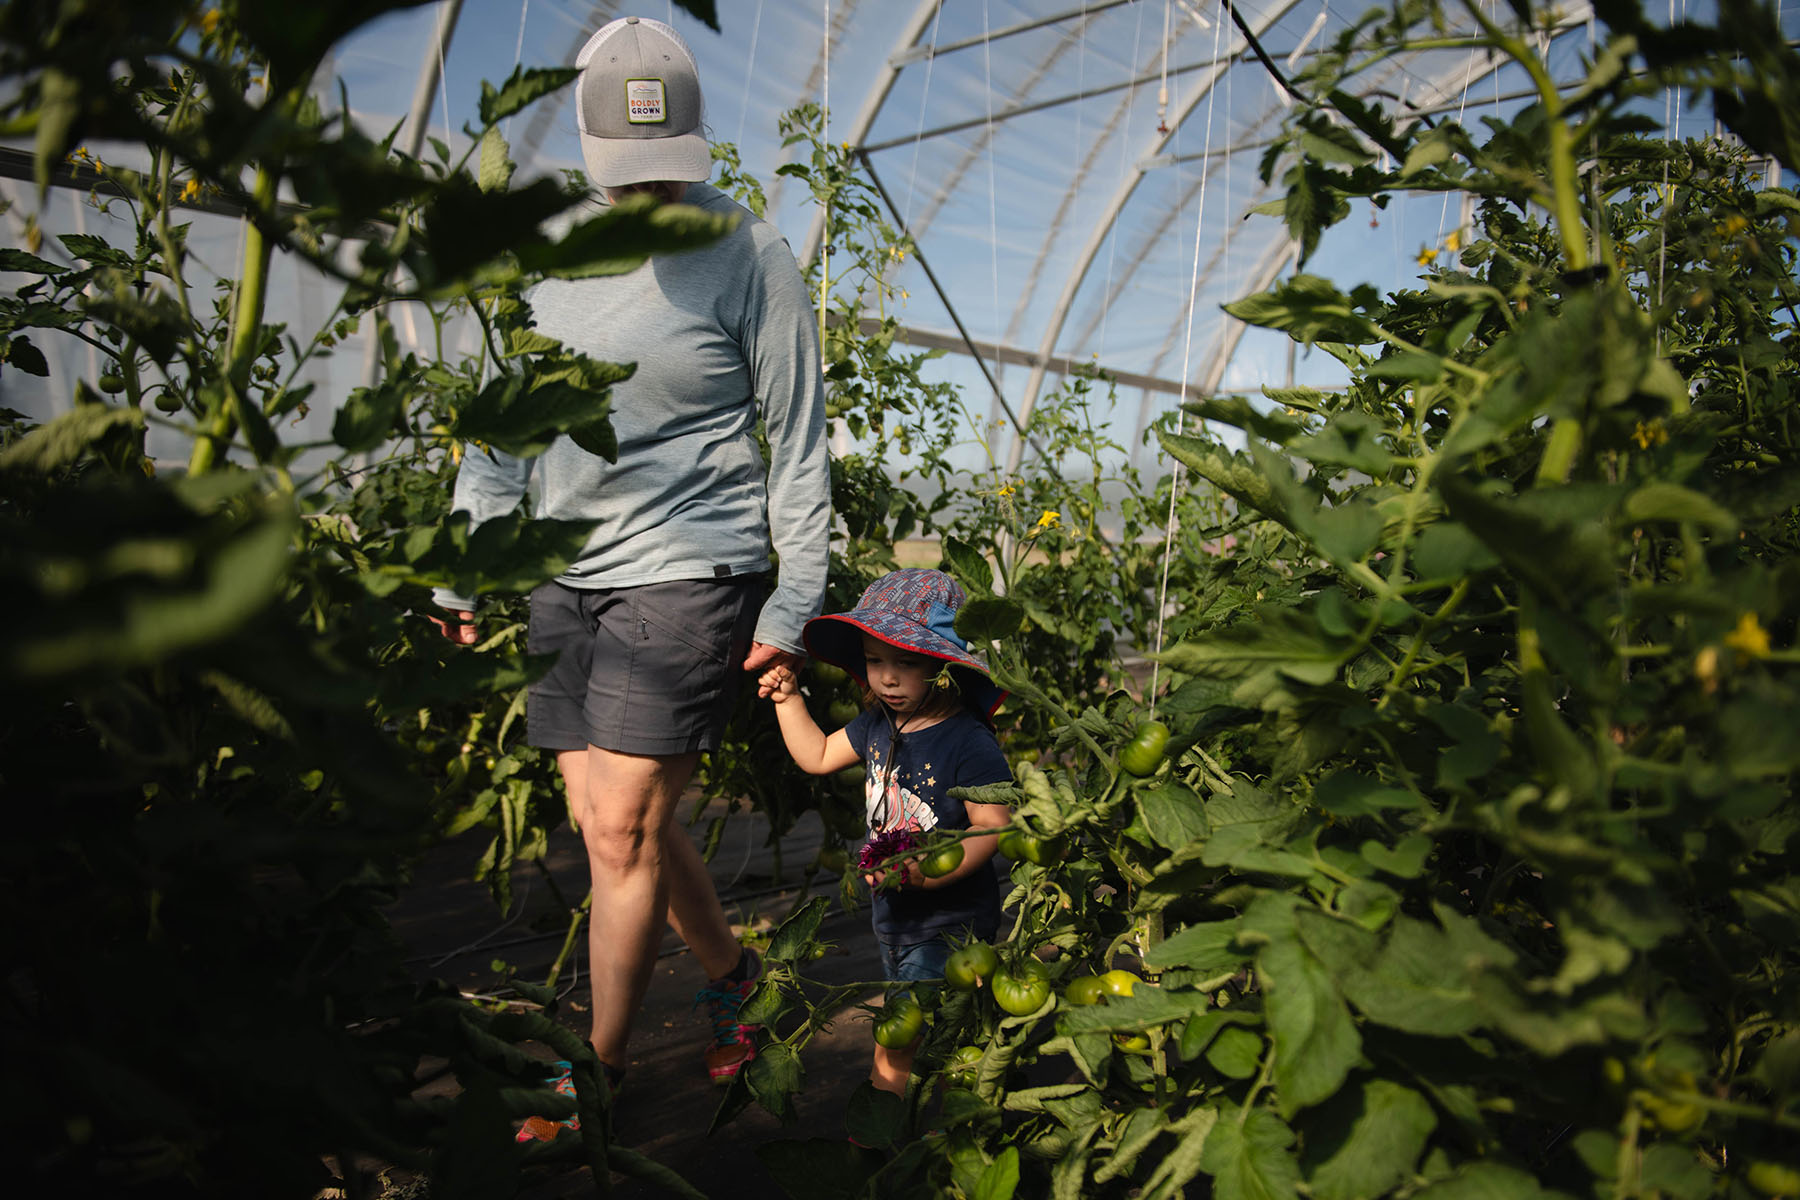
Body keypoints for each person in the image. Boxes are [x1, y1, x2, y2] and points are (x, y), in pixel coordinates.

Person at [430, 15, 831, 1141]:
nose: (654, 195)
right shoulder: (541, 253)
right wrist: (467, 568)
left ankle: (591, 1077)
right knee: (614, 824)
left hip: (690, 570)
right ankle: (735, 974)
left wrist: (794, 602)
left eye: (672, 171)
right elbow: (499, 431)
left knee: (617, 833)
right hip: (564, 577)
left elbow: (796, 439)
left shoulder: (749, 250)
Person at [758, 569, 1012, 1098]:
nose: (888, 679)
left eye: (907, 663)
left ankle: (879, 1129)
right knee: (937, 1029)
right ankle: (946, 1122)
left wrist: (942, 871)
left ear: (944, 667)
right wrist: (788, 701)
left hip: (952, 920)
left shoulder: (969, 741)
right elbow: (819, 756)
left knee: (900, 1033)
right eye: (875, 661)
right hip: (892, 915)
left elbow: (993, 828)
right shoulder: (878, 725)